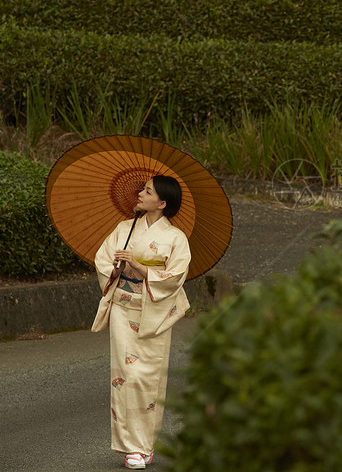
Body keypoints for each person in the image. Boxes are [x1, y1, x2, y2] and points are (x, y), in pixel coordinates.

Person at [92, 175, 192, 470]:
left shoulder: (176, 238)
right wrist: (117, 267)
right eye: (142, 189)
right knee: (125, 376)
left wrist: (138, 265)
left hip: (153, 312)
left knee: (146, 377)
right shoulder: (125, 228)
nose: (140, 193)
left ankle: (144, 445)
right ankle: (130, 446)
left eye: (147, 191)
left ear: (162, 203)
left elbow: (174, 277)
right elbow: (102, 261)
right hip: (124, 307)